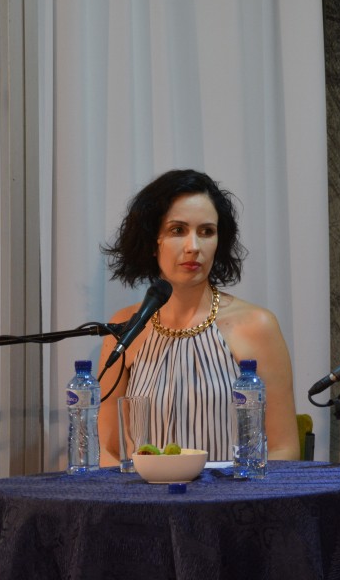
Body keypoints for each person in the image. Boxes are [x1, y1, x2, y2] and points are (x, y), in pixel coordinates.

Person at [97, 169, 300, 462]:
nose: (193, 247)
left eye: (206, 232)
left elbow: (284, 448)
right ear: (153, 241)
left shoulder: (257, 325)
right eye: (178, 230)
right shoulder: (125, 326)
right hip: (145, 491)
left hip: (232, 491)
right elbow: (107, 449)